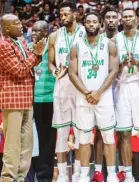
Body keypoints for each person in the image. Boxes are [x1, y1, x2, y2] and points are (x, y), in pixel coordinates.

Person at [68, 11, 119, 182]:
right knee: (83, 138)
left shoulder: (109, 44)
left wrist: (98, 92)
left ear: (100, 24)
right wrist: (86, 92)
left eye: (94, 22)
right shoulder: (76, 45)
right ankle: (83, 176)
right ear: (84, 24)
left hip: (103, 97)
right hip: (84, 97)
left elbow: (114, 71)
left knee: (108, 136)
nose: (91, 24)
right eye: (88, 22)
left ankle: (111, 175)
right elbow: (72, 73)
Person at [0, 13, 46, 182]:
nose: (21, 26)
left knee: (27, 144)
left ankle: (20, 178)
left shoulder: (20, 39)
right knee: (13, 144)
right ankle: (7, 179)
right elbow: (20, 70)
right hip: (12, 98)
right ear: (7, 28)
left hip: (26, 96)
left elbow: (30, 63)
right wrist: (36, 55)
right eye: (16, 24)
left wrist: (38, 54)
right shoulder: (2, 45)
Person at [112, 8, 139, 182]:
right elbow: (111, 69)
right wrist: (120, 65)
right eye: (125, 16)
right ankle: (127, 174)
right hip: (122, 86)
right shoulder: (114, 40)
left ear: (137, 19)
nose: (127, 19)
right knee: (124, 133)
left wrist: (137, 63)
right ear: (122, 20)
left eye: (130, 16)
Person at [47, 1, 83, 181]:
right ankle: (61, 175)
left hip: (80, 89)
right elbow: (50, 63)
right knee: (61, 134)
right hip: (61, 88)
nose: (62, 18)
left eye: (66, 14)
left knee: (79, 133)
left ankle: (77, 175)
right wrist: (55, 72)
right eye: (60, 15)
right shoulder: (54, 36)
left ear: (75, 14)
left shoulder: (85, 33)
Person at [92, 8, 120, 181]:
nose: (110, 20)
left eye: (113, 17)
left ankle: (122, 170)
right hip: (102, 90)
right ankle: (98, 171)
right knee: (100, 133)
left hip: (122, 88)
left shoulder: (124, 39)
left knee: (122, 133)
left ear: (118, 19)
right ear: (103, 20)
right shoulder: (97, 40)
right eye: (107, 17)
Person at [28, 20, 57, 182]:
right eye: (32, 31)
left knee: (48, 138)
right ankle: (32, 173)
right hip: (32, 100)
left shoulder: (53, 49)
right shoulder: (30, 49)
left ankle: (45, 175)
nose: (34, 33)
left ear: (46, 33)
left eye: (38, 31)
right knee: (33, 138)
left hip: (50, 99)